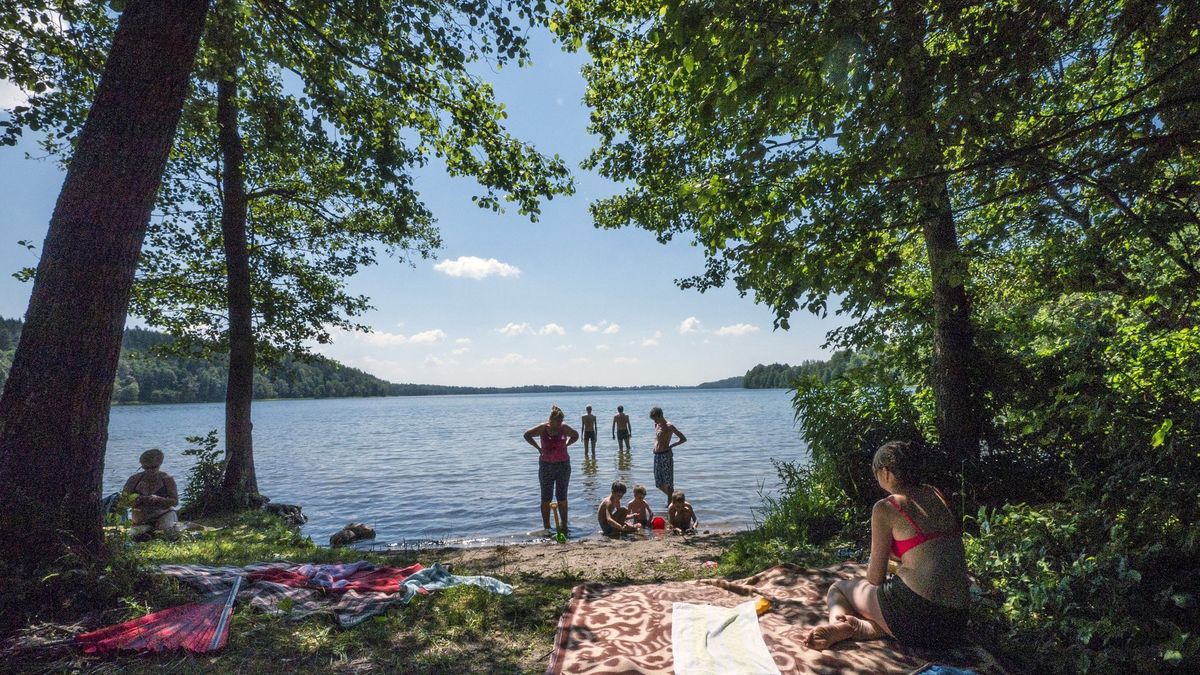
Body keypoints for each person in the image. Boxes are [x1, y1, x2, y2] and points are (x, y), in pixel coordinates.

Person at [803, 441, 970, 651]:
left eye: (876, 472)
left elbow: (875, 578)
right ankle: (863, 628)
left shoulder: (886, 508)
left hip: (917, 615)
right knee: (895, 606)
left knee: (839, 589)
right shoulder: (936, 495)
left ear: (886, 472)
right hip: (955, 624)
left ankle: (838, 624)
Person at [524, 405, 579, 535]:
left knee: (562, 497)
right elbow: (527, 435)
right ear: (551, 420)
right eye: (558, 421)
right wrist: (538, 448)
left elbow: (575, 435)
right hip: (546, 466)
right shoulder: (543, 428)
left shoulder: (564, 428)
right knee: (546, 498)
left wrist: (567, 444)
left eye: (561, 421)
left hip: (563, 465)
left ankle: (564, 524)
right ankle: (547, 527)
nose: (560, 423)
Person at [121, 448, 180, 538]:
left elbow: (175, 502)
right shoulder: (134, 480)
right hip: (141, 519)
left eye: (153, 467)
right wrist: (138, 500)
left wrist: (159, 499)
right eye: (146, 467)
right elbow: (123, 502)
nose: (150, 470)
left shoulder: (167, 479)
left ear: (160, 464)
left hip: (163, 514)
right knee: (133, 536)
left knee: (167, 533)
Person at [649, 406, 686, 508]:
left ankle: (670, 504)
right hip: (656, 456)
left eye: (655, 418)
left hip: (665, 455)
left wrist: (671, 446)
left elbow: (683, 438)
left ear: (660, 415)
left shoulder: (669, 426)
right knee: (658, 483)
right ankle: (674, 499)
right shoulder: (656, 425)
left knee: (668, 482)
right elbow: (657, 439)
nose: (654, 420)